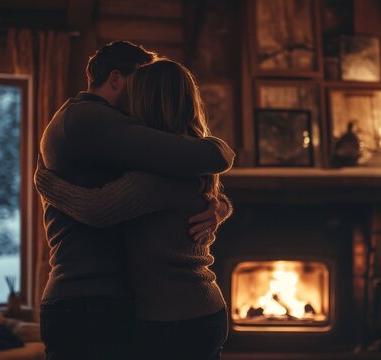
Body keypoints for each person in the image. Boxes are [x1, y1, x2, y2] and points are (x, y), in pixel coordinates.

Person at [38, 42, 235, 360]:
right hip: (86, 301)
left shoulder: (97, 123)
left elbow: (191, 162)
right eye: (139, 80)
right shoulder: (89, 119)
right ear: (116, 78)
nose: (142, 91)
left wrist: (218, 205)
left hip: (110, 301)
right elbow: (194, 158)